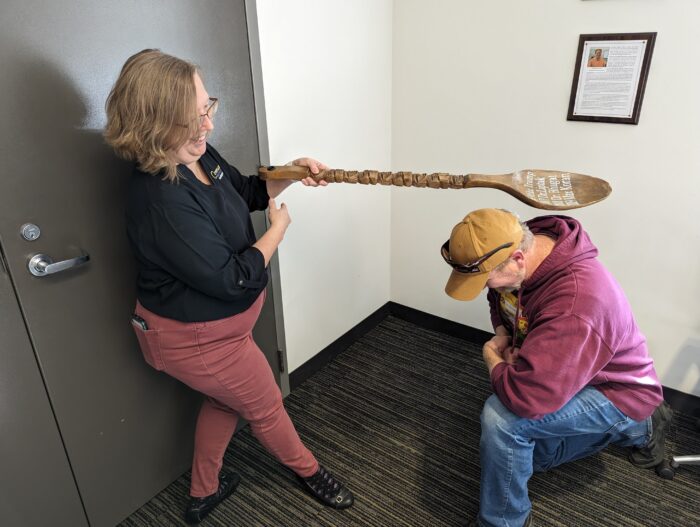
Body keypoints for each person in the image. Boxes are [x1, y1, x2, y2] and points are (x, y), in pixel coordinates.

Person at [105, 49, 353, 524]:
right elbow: (234, 280)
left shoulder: (196, 152)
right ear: (154, 124)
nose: (207, 127)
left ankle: (204, 492)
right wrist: (276, 232)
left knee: (224, 400)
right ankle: (309, 471)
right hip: (197, 342)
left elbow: (246, 189)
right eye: (191, 119)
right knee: (266, 406)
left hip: (219, 335)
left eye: (206, 109)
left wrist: (290, 174)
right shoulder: (160, 199)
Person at [441, 209, 671, 527]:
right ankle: (630, 425)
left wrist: (492, 358)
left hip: (616, 387)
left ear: (518, 258)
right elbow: (500, 297)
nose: (483, 288)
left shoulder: (577, 303)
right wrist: (504, 334)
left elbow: (529, 398)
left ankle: (504, 522)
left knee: (502, 421)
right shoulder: (526, 242)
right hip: (568, 365)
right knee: (524, 456)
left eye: (483, 279)